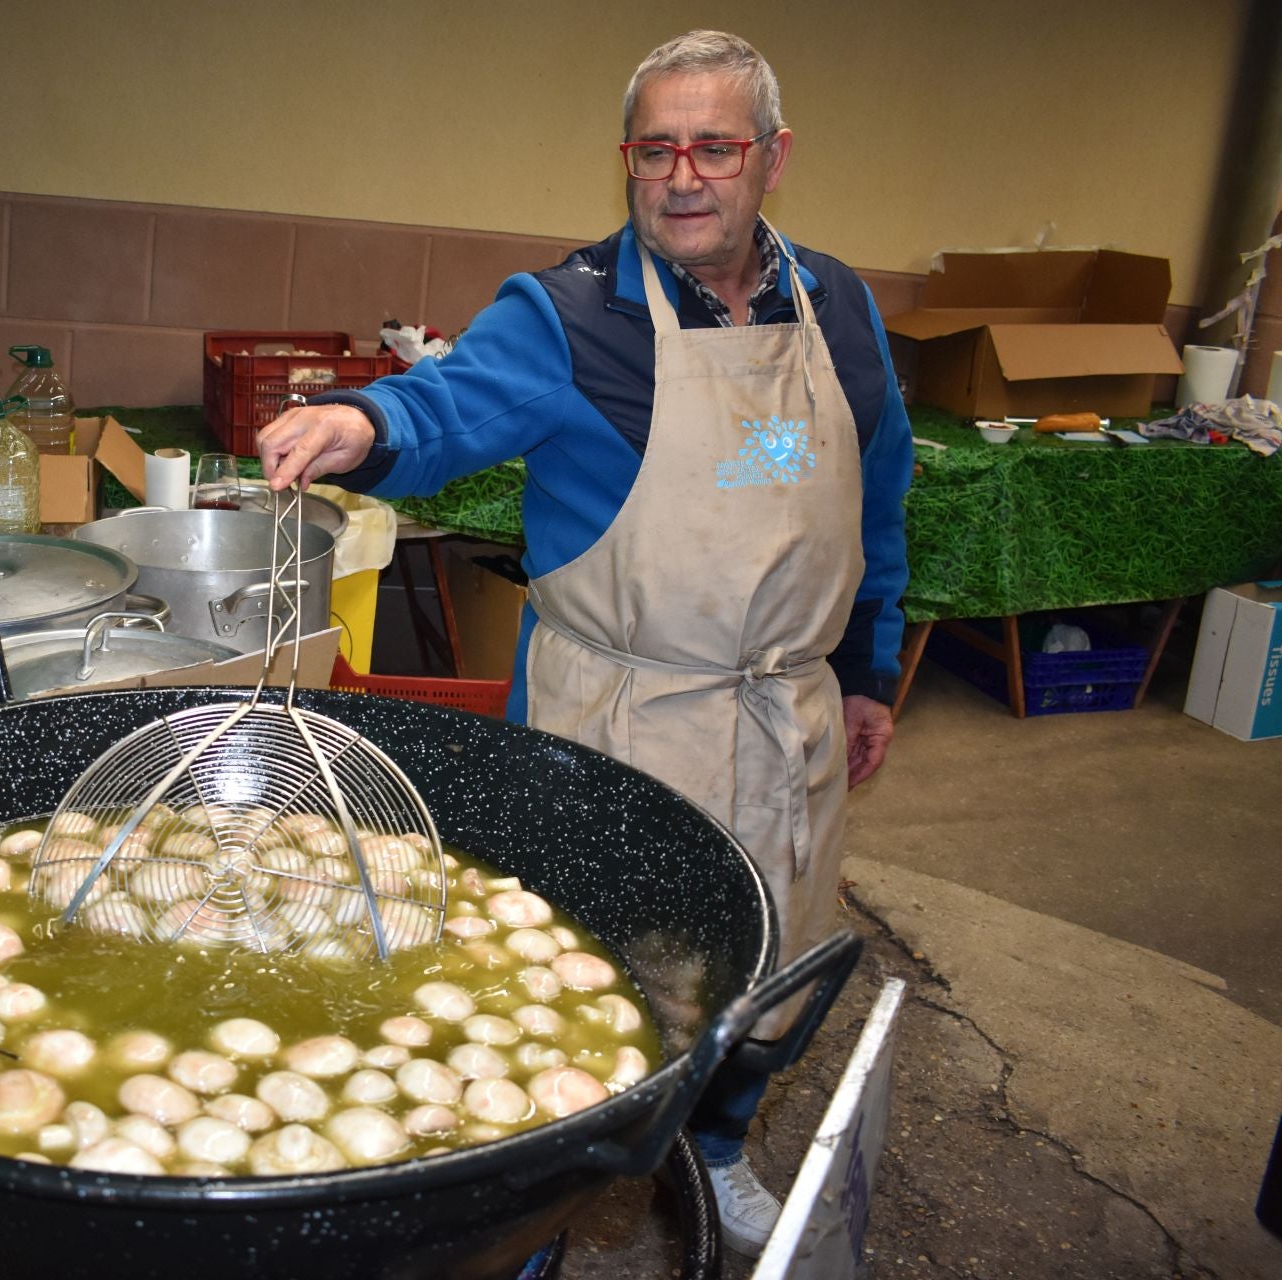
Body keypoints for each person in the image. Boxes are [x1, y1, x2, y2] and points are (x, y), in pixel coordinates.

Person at [260, 29, 913, 1256]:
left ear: (773, 157)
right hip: (620, 720)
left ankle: (716, 1157)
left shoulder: (843, 308)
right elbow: (445, 402)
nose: (680, 178)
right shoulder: (569, 315)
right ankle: (548, 1189)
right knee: (585, 981)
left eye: (712, 147)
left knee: (768, 962)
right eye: (653, 148)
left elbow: (876, 504)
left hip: (787, 716)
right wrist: (360, 418)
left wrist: (870, 672)